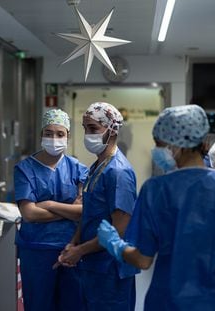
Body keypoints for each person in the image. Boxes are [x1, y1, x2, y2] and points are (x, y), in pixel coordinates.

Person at [97, 105, 215, 311]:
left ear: (178, 145)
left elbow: (142, 259)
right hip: (213, 303)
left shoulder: (155, 190)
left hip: (166, 302)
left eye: (160, 144)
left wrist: (114, 244)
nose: (156, 150)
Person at [58, 102, 138, 311]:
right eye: (85, 128)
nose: (87, 134)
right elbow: (89, 212)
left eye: (93, 129)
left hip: (111, 269)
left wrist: (80, 251)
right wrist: (74, 242)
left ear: (112, 129)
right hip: (93, 266)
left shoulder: (119, 173)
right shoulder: (97, 166)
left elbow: (118, 231)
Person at [13, 109, 88, 311]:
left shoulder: (78, 169)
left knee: (73, 304)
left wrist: (48, 205)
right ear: (41, 135)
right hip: (36, 251)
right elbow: (29, 213)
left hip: (70, 248)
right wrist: (68, 209)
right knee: (39, 305)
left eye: (60, 134)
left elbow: (83, 211)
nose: (54, 138)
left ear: (68, 136)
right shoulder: (24, 169)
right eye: (48, 133)